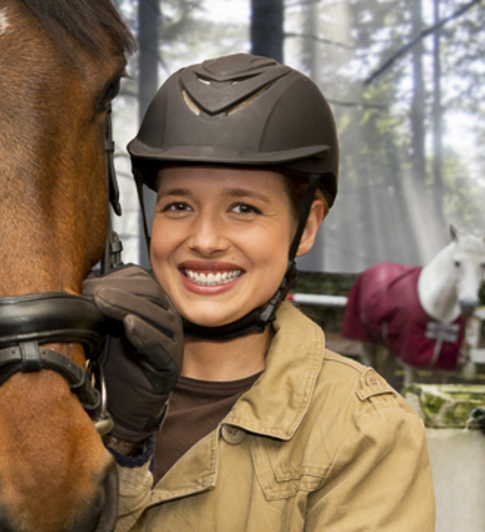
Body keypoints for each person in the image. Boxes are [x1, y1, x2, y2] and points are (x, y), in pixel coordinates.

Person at [84, 53, 435, 530]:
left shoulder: (365, 431)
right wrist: (113, 440)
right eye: (179, 205)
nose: (204, 240)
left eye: (244, 209)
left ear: (306, 227)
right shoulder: (67, 388)